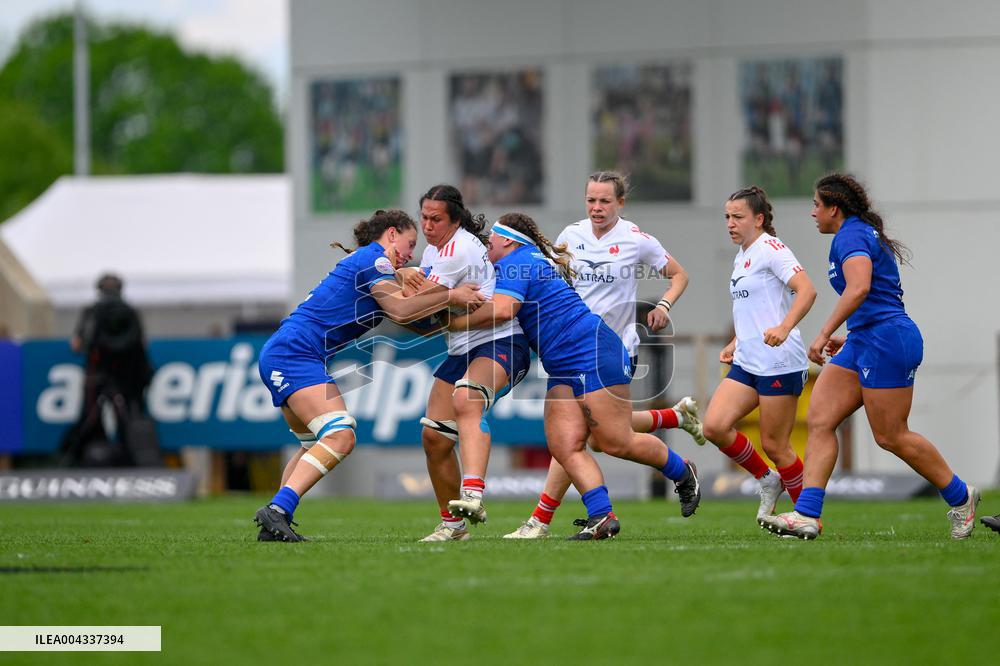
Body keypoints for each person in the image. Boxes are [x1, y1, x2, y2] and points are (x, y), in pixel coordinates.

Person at [448, 213, 701, 540]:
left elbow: (501, 310)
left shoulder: (517, 262)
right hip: (564, 363)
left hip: (592, 352)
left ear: (508, 240)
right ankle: (602, 516)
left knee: (615, 441)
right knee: (564, 445)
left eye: (491, 240)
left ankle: (683, 472)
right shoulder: (521, 260)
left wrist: (449, 321)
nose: (487, 246)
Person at [761, 173, 979, 540]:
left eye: (817, 205)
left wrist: (826, 331)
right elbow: (873, 295)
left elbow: (860, 287)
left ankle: (961, 498)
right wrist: (851, 335)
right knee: (820, 419)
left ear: (835, 208)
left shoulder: (852, 235)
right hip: (865, 339)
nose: (812, 212)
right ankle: (807, 515)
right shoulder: (854, 233)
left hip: (888, 340)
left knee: (890, 435)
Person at [253, 209, 484, 542]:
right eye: (409, 243)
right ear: (391, 234)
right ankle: (276, 512)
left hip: (291, 352)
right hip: (294, 355)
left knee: (313, 445)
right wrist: (452, 296)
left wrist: (457, 313)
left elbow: (415, 323)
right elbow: (400, 310)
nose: (409, 253)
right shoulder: (373, 259)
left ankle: (277, 517)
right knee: (341, 434)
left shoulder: (376, 267)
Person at [504, 170, 704, 539]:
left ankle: (679, 467)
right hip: (568, 347)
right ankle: (547, 520)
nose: (597, 208)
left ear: (621, 203)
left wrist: (664, 305)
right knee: (574, 440)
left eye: (605, 201)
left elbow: (679, 275)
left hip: (611, 348)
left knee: (606, 440)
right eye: (591, 200)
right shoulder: (570, 236)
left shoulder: (636, 240)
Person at [403, 184, 531, 542]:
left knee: (468, 398)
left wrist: (397, 279)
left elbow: (415, 305)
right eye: (424, 217)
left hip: (503, 341)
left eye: (436, 219)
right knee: (434, 436)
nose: (427, 225)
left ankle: (472, 493)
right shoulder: (435, 249)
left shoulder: (456, 251)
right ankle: (454, 526)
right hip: (462, 349)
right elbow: (424, 309)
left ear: (455, 219)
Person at [700, 186, 816, 526]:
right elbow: (758, 306)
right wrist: (737, 340)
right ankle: (768, 480)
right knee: (714, 426)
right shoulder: (743, 253)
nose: (730, 223)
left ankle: (808, 516)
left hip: (779, 360)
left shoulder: (771, 248)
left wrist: (784, 326)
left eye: (738, 217)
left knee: (776, 444)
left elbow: (807, 290)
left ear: (759, 219)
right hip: (749, 358)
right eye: (727, 217)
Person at [60, 273, 154, 466]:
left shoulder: (96, 312)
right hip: (118, 375)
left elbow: (77, 345)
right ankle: (127, 459)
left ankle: (75, 459)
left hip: (110, 374)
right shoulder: (126, 312)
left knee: (101, 415)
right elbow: (142, 344)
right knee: (117, 415)